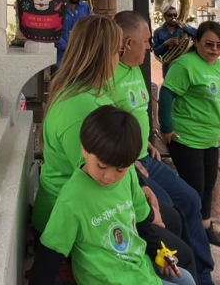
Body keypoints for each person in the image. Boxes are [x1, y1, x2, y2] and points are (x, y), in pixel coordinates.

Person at [32, 16, 197, 281]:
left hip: (102, 199)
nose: (119, 59)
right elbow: (98, 177)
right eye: (117, 52)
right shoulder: (80, 106)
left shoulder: (91, 90)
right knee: (182, 254)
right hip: (76, 215)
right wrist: (136, 201)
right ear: (103, 55)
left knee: (173, 219)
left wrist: (139, 186)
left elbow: (112, 163)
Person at [30, 106, 196, 285]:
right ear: (84, 150)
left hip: (137, 268)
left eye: (119, 169)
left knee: (186, 279)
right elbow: (51, 252)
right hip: (108, 279)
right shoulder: (73, 198)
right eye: (101, 166)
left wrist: (158, 252)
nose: (109, 177)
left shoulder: (130, 176)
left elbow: (141, 222)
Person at [114, 11, 218, 284]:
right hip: (130, 166)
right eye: (146, 40)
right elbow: (104, 127)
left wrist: (146, 139)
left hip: (145, 157)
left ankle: (204, 274)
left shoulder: (136, 66)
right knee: (167, 210)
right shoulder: (109, 74)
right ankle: (178, 271)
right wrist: (125, 157)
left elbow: (134, 111)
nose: (151, 46)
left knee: (192, 199)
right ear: (126, 43)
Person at [160, 21, 220, 247]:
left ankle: (205, 228)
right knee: (193, 188)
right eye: (208, 44)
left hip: (211, 139)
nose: (214, 50)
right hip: (185, 137)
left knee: (208, 185)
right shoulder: (185, 65)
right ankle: (188, 233)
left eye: (219, 45)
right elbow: (167, 94)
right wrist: (166, 128)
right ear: (196, 42)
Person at [55, 0, 92, 67]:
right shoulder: (57, 9)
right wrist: (68, 47)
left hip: (81, 58)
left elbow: (91, 28)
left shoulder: (85, 7)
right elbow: (53, 33)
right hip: (60, 59)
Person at [153, 7, 197, 77]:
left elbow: (198, 35)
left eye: (175, 15)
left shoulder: (183, 28)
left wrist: (186, 28)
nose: (173, 18)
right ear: (164, 16)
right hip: (168, 67)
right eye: (170, 15)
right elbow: (156, 52)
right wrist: (165, 44)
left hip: (184, 63)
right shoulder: (158, 32)